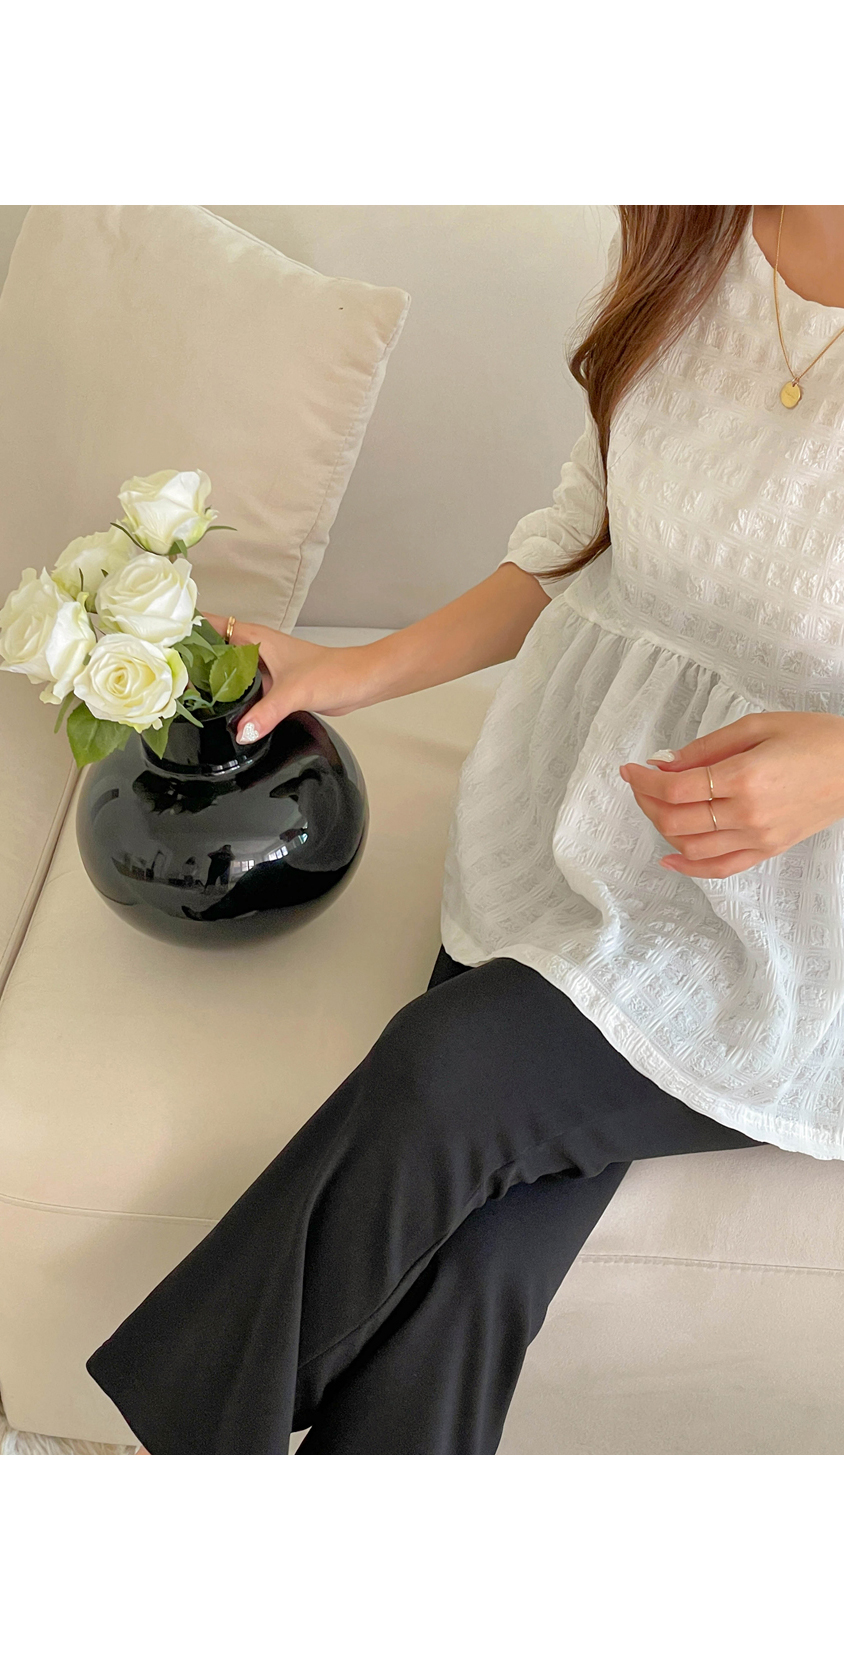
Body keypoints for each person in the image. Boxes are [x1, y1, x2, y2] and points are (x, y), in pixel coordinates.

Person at [86, 205, 844, 1454]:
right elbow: (583, 543)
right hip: (585, 822)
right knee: (473, 1266)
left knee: (444, 1072)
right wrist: (351, 671)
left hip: (805, 922)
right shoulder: (688, 225)